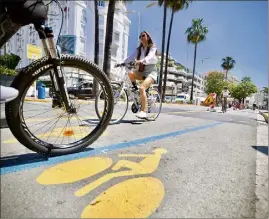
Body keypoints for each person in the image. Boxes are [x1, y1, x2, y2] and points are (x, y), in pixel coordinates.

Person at [123, 31, 158, 119]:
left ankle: (143, 111)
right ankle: (135, 89)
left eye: (143, 35)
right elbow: (130, 57)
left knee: (142, 88)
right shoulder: (139, 49)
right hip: (142, 72)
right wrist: (122, 63)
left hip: (151, 73)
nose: (141, 37)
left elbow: (149, 57)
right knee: (130, 73)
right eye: (140, 36)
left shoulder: (152, 48)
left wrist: (141, 61)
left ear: (148, 37)